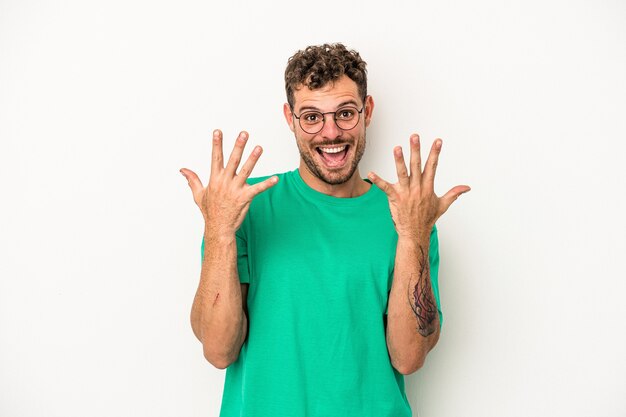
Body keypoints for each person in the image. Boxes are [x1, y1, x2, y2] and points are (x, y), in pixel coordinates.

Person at [180, 43, 470, 417]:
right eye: (312, 117)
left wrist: (414, 235)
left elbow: (409, 357)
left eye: (345, 113)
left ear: (367, 111)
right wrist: (219, 231)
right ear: (290, 117)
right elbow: (219, 350)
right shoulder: (242, 207)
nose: (330, 133)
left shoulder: (408, 215)